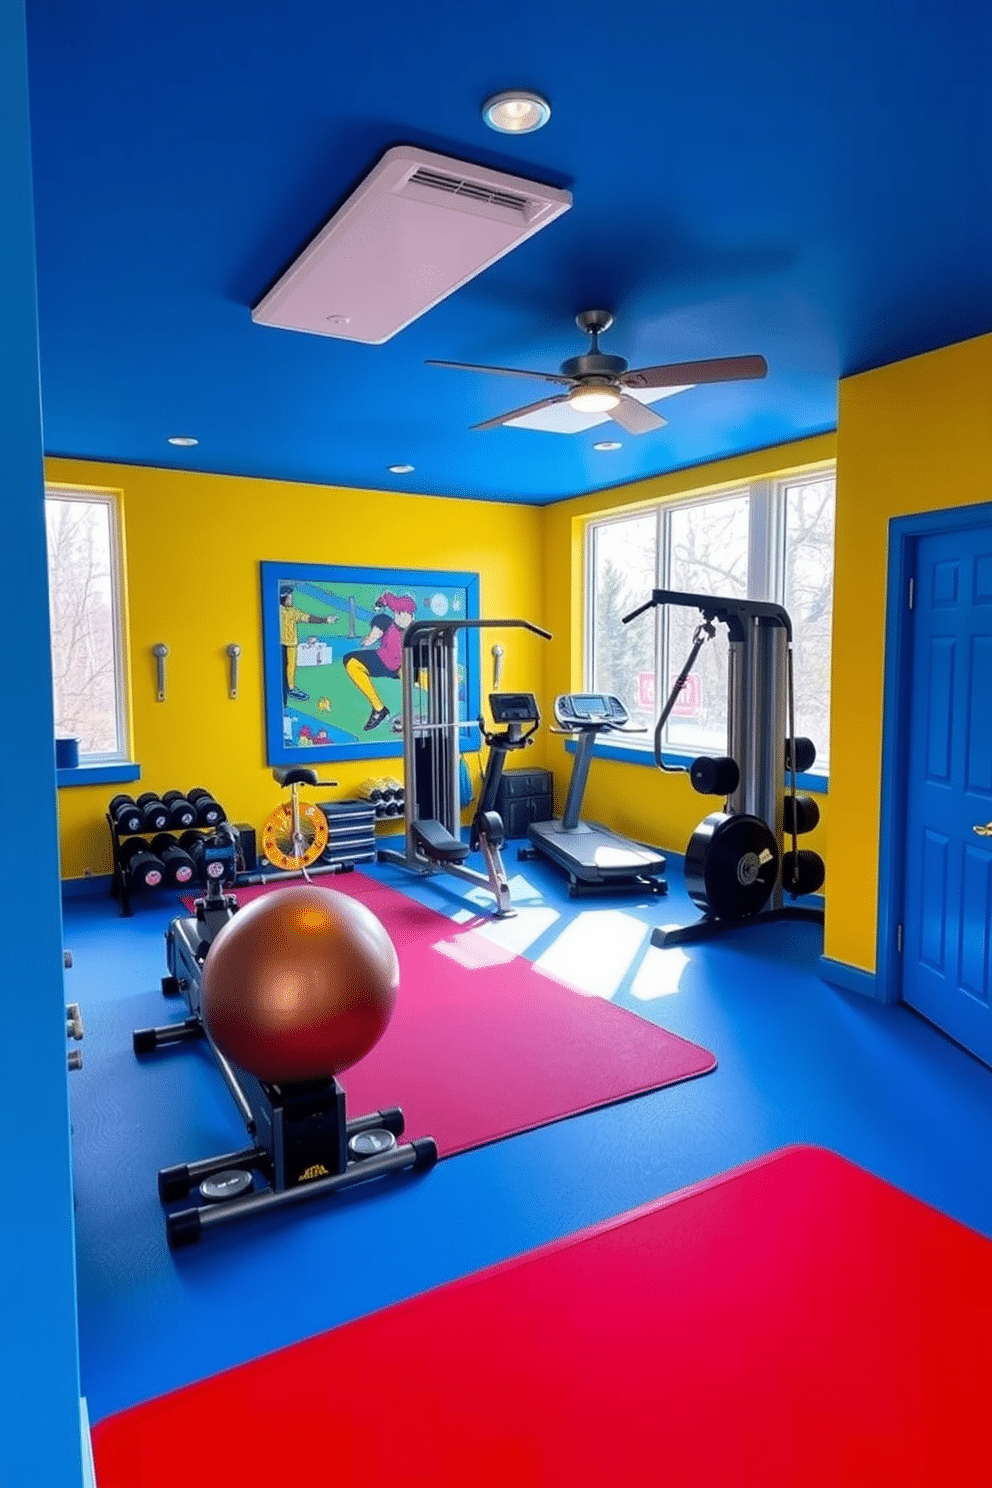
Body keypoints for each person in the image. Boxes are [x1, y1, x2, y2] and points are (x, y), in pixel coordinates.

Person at [344, 592, 416, 731]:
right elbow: (386, 598)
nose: (399, 618)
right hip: (382, 660)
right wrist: (370, 638)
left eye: (403, 614)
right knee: (351, 661)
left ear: (411, 615)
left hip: (401, 667)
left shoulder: (416, 631)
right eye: (397, 613)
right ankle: (379, 709)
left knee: (418, 676)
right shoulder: (386, 622)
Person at [280, 585, 331, 703]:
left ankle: (289, 690)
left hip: (288, 644)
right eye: (290, 598)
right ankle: (290, 689)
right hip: (286, 644)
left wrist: (324, 620)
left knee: (288, 669)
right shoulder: (289, 612)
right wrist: (325, 620)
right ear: (285, 598)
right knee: (288, 668)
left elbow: (307, 617)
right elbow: (307, 618)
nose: (291, 600)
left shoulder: (288, 611)